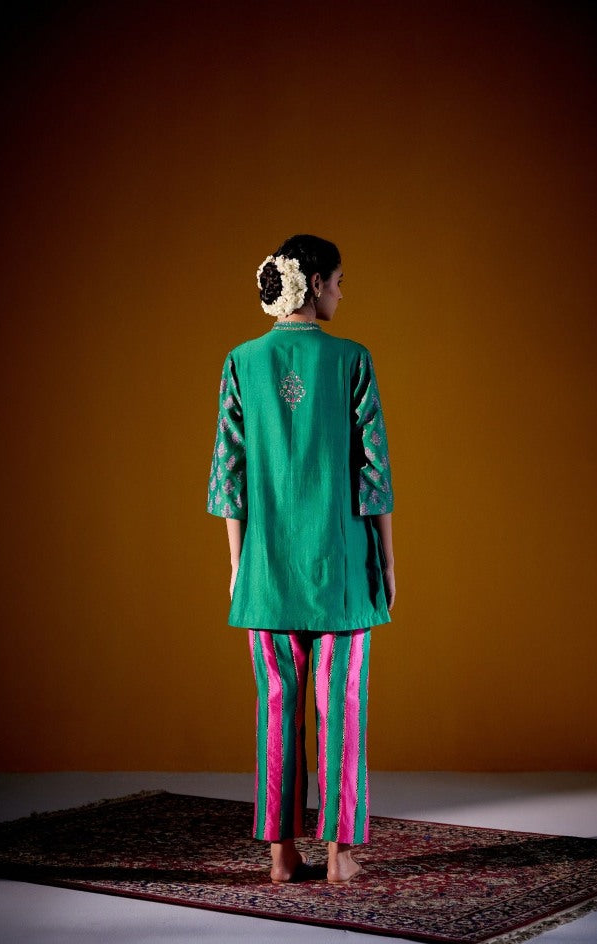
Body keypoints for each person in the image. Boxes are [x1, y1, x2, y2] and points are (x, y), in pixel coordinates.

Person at [207, 234, 395, 884]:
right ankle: (341, 854)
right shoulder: (352, 359)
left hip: (265, 571)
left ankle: (280, 854)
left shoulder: (241, 362)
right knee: (342, 705)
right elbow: (374, 474)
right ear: (314, 283)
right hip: (340, 569)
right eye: (338, 281)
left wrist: (238, 565)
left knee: (275, 707)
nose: (342, 292)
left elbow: (229, 475)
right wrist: (387, 561)